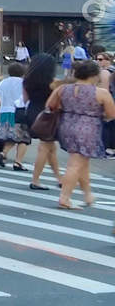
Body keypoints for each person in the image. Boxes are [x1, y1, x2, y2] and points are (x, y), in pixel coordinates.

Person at [47, 60, 115, 210]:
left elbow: (51, 105)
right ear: (94, 75)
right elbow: (111, 114)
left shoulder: (63, 89)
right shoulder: (101, 93)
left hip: (66, 125)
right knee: (76, 164)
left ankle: (87, 194)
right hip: (88, 127)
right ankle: (64, 198)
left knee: (81, 161)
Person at [22, 52, 64, 192]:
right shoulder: (54, 83)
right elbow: (57, 101)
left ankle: (59, 178)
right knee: (45, 147)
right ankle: (35, 180)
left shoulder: (26, 81)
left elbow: (25, 100)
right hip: (48, 115)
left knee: (50, 148)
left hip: (32, 112)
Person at [0, 61, 29, 171]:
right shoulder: (24, 83)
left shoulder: (3, 83)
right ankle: (18, 162)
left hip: (4, 112)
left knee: (10, 136)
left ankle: (3, 153)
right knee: (23, 139)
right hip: (18, 112)